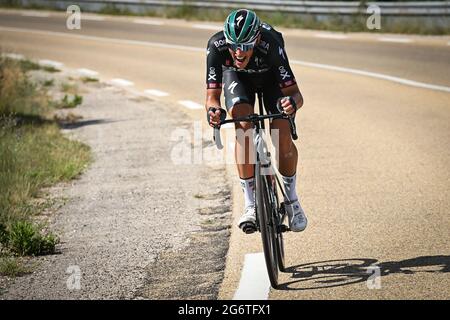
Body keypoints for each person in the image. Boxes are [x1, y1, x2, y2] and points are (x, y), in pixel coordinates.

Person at [205, 9, 307, 233]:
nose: (239, 53)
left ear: (257, 39)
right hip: (238, 79)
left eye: (246, 46)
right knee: (242, 126)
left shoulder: (271, 43)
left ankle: (291, 200)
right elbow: (212, 97)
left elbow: (295, 94)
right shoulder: (216, 46)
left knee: (281, 134)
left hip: (271, 79)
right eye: (234, 45)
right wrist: (214, 111)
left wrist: (290, 103)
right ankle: (250, 204)